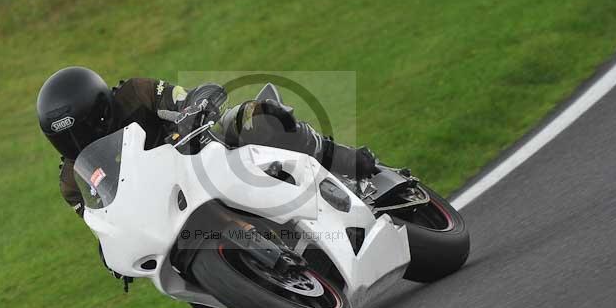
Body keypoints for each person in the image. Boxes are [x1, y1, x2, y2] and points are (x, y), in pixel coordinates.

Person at [36, 66, 378, 218]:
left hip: (204, 151)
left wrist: (195, 107)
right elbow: (99, 220)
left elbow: (182, 98)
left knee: (256, 118)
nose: (78, 143)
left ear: (101, 111)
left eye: (81, 130)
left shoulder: (135, 93)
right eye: (65, 139)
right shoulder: (72, 181)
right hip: (167, 207)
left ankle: (342, 160)